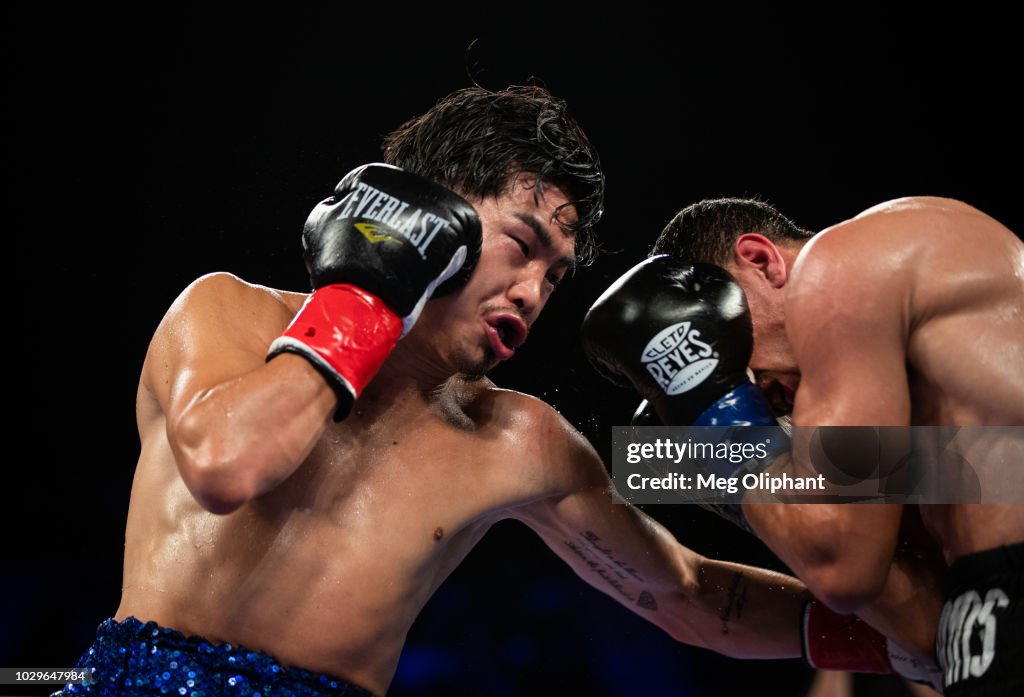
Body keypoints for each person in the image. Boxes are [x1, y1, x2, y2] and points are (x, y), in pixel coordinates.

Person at [57, 87, 871, 697]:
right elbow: (228, 468)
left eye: (554, 275)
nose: (533, 291)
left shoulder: (517, 436)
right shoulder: (226, 310)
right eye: (522, 246)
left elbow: (689, 592)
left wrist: (908, 633)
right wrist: (366, 299)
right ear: (430, 209)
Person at [581, 196, 1023, 695]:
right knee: (653, 462)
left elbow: (841, 570)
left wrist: (713, 418)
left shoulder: (845, 260)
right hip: (986, 616)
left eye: (723, 342)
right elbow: (929, 632)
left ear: (761, 260)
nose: (755, 391)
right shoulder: (925, 435)